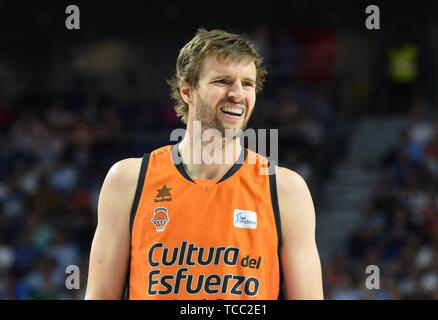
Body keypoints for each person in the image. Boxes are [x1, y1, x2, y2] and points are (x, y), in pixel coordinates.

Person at [85, 28, 323, 300]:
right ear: (187, 90)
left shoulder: (286, 190)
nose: (237, 93)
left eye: (247, 83)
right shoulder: (127, 181)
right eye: (223, 81)